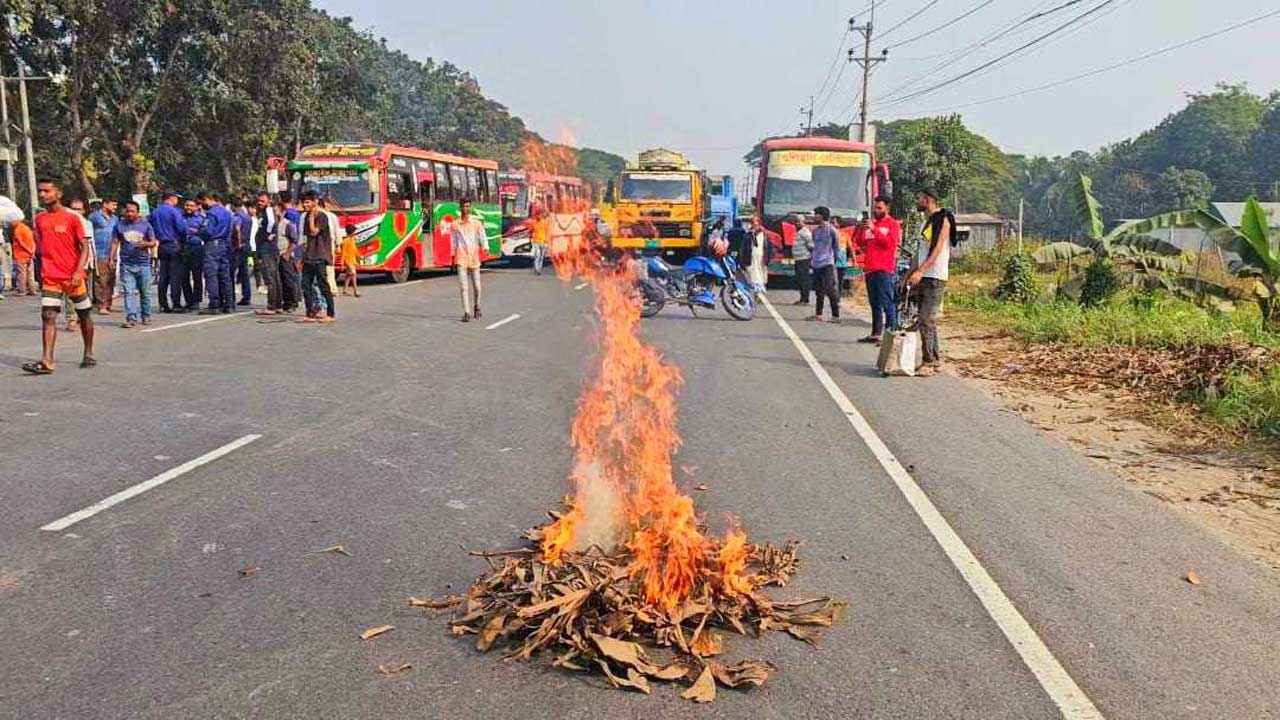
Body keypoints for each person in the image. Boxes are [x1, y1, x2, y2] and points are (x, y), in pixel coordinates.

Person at [24, 178, 95, 374]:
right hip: (50, 277)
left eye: (47, 191)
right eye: (40, 191)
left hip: (73, 277)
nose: (42, 195)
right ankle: (47, 361)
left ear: (59, 193)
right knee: (48, 316)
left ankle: (88, 353)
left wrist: (79, 270)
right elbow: (40, 246)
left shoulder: (73, 218)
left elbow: (85, 247)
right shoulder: (39, 219)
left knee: (84, 314)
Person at [905, 188, 954, 376]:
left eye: (918, 198)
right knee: (926, 320)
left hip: (935, 276)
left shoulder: (943, 219)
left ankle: (929, 361)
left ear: (928, 200)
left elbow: (938, 249)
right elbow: (921, 252)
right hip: (924, 275)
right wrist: (908, 274)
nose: (916, 201)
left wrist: (922, 270)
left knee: (926, 319)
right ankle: (934, 360)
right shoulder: (925, 223)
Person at [852, 196, 903, 344]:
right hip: (870, 268)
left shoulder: (892, 224)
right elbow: (861, 243)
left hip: (884, 268)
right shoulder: (871, 224)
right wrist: (862, 229)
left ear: (887, 208)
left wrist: (875, 230)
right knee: (874, 302)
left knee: (887, 301)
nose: (876, 210)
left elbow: (890, 244)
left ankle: (890, 334)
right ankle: (876, 333)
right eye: (875, 207)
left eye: (879, 208)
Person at [110, 200, 158, 328]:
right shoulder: (119, 225)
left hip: (143, 264)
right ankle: (131, 317)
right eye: (127, 211)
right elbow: (115, 242)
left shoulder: (146, 225)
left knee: (145, 292)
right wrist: (112, 258)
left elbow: (153, 242)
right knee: (128, 292)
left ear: (138, 212)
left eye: (132, 211)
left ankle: (146, 315)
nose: (129, 213)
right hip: (126, 264)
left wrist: (146, 244)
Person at [197, 191, 234, 314]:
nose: (201, 205)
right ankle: (228, 303)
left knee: (211, 274)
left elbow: (207, 231)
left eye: (202, 202)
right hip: (224, 244)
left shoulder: (211, 213)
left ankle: (214, 304)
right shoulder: (227, 213)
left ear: (207, 199)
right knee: (224, 274)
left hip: (212, 244)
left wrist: (198, 232)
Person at [150, 191, 186, 312]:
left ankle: (163, 303)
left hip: (161, 245)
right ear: (171, 198)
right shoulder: (174, 211)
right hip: (174, 244)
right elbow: (181, 228)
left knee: (163, 275)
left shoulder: (155, 212)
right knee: (175, 276)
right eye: (176, 198)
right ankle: (176, 303)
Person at [452, 198, 486, 322]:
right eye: (463, 206)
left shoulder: (476, 223)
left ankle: (477, 306)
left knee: (477, 287)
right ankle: (466, 312)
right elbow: (454, 241)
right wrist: (452, 254)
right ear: (460, 207)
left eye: (467, 206)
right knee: (463, 287)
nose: (465, 208)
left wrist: (485, 247)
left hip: (474, 257)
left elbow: (482, 236)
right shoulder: (455, 224)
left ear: (470, 207)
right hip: (461, 257)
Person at [65, 198, 96, 331]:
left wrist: (93, 260)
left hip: (87, 261)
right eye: (73, 209)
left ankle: (82, 317)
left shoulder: (88, 224)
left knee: (85, 291)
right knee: (71, 290)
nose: (76, 212)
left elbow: (90, 244)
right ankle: (71, 318)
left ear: (83, 210)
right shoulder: (66, 223)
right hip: (71, 262)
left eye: (79, 209)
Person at [807, 206, 841, 324]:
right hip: (816, 264)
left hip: (827, 263)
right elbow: (814, 247)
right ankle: (818, 314)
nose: (814, 216)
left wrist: (833, 261)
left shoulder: (831, 230)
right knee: (818, 290)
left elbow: (836, 248)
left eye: (816, 214)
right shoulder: (815, 231)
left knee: (830, 289)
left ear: (822, 216)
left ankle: (835, 315)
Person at [250, 192, 282, 314]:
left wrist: (269, 234)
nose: (259, 203)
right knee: (274, 277)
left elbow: (272, 223)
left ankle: (271, 306)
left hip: (267, 249)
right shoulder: (263, 212)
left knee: (270, 277)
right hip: (267, 248)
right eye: (259, 201)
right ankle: (277, 304)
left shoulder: (268, 211)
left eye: (262, 201)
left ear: (269, 201)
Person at [87, 198, 118, 314]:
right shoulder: (94, 217)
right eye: (113, 204)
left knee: (111, 279)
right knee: (101, 280)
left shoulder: (115, 219)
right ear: (105, 204)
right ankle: (101, 305)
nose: (115, 207)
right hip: (99, 252)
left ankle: (108, 303)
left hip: (112, 253)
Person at [274, 196, 302, 313]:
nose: (275, 213)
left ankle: (292, 302)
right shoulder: (273, 225)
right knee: (280, 280)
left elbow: (294, 240)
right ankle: (284, 302)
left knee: (288, 279)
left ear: (282, 211)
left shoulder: (288, 224)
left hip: (286, 255)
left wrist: (287, 253)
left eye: (277, 211)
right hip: (276, 255)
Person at [180, 198, 205, 310]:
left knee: (197, 276)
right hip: (183, 248)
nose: (188, 208)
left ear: (196, 207)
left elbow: (205, 232)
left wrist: (197, 232)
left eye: (191, 205)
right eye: (186, 205)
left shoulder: (201, 219)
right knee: (184, 276)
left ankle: (196, 300)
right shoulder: (180, 217)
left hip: (196, 249)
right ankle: (188, 300)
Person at [230, 197, 253, 306]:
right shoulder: (248, 217)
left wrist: (238, 243)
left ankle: (231, 297)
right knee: (244, 272)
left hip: (238, 247)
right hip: (247, 245)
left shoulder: (237, 217)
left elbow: (237, 229)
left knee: (231, 272)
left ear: (233, 206)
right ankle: (246, 296)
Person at [789, 213, 814, 306]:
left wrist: (809, 255)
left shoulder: (805, 232)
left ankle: (805, 299)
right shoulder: (798, 232)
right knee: (799, 279)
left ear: (803, 222)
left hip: (804, 259)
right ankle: (802, 298)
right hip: (798, 259)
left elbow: (811, 245)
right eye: (796, 222)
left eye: (799, 222)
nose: (797, 223)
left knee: (804, 279)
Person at [745, 215, 772, 298]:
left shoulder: (765, 234)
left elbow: (769, 247)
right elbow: (744, 247)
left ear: (759, 224)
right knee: (753, 274)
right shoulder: (749, 235)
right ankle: (757, 292)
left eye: (755, 223)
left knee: (761, 274)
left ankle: (760, 291)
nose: (753, 225)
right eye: (752, 223)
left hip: (762, 257)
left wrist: (767, 258)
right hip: (752, 257)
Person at [11, 219, 36, 296]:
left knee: (21, 273)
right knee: (30, 273)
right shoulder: (27, 228)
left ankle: (22, 290)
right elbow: (33, 241)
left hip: (21, 255)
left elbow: (21, 243)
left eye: (12, 221)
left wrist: (29, 251)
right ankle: (32, 290)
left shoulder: (18, 230)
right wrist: (32, 252)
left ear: (17, 220)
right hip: (30, 255)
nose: (11, 223)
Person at [340, 223, 360, 297]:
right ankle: (356, 291)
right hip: (348, 261)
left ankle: (345, 290)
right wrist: (342, 263)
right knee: (353, 274)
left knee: (348, 275)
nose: (355, 233)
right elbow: (343, 253)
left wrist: (359, 257)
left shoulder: (352, 240)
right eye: (354, 231)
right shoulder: (345, 241)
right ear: (351, 232)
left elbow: (355, 250)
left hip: (352, 260)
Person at [530, 206, 549, 275]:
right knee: (537, 255)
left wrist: (547, 241)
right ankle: (537, 269)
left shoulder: (545, 222)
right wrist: (531, 237)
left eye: (540, 215)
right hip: (536, 241)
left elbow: (547, 232)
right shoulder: (534, 222)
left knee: (541, 256)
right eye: (538, 215)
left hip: (543, 241)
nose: (539, 216)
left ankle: (539, 269)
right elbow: (531, 230)